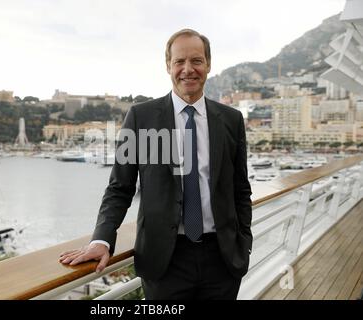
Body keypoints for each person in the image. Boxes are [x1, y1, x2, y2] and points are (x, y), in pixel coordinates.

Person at [59, 28, 252, 300]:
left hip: (222, 258)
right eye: (179, 62)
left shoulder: (231, 119)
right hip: (165, 262)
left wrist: (245, 243)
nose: (188, 69)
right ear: (168, 66)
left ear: (208, 64)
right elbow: (120, 187)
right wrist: (102, 239)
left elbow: (240, 188)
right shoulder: (140, 118)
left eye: (196, 61)